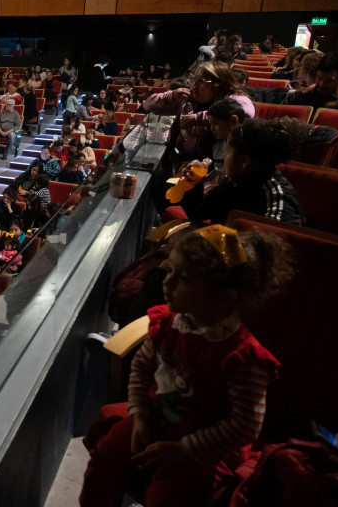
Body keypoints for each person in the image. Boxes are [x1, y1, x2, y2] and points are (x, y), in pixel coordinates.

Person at [79, 225, 295, 507]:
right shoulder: (169, 322)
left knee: (167, 496)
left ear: (225, 297)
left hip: (205, 447)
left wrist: (184, 450)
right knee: (105, 458)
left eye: (184, 279)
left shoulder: (244, 358)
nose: (166, 284)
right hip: (156, 417)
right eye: (169, 272)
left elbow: (244, 427)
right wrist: (141, 414)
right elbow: (142, 368)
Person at [178, 118, 305, 226]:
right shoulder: (233, 181)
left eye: (227, 150)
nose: (224, 155)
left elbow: (270, 247)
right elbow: (198, 214)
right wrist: (193, 182)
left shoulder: (276, 199)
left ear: (244, 160)